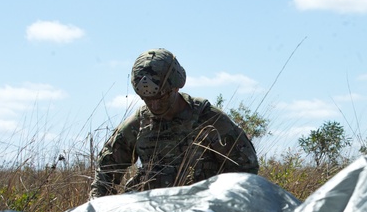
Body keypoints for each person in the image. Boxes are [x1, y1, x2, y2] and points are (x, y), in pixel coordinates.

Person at [90, 48, 259, 198]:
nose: (154, 105)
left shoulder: (209, 120)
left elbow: (246, 170)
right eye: (147, 99)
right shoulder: (137, 125)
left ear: (176, 87)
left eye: (160, 97)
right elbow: (106, 173)